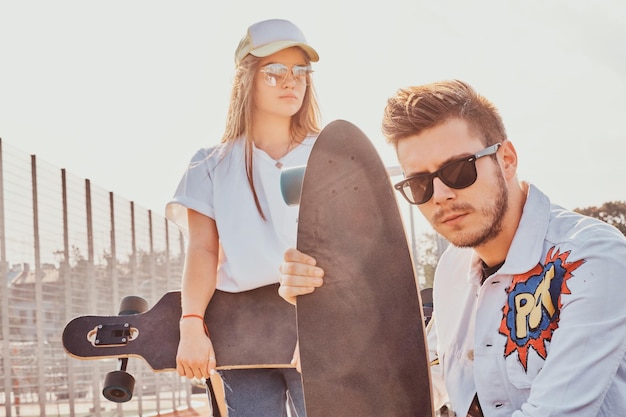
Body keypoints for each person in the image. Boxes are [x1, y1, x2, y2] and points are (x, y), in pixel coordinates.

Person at [278, 79, 626, 416]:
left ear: (506, 159)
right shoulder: (453, 269)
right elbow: (421, 384)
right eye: (420, 184)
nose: (441, 194)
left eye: (459, 170)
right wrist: (328, 314)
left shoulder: (591, 259)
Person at [166, 18, 321, 417]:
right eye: (275, 72)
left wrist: (328, 325)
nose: (291, 81)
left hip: (316, 317)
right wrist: (191, 324)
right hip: (240, 324)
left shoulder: (328, 153)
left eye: (300, 71)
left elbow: (348, 247)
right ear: (246, 79)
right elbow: (202, 251)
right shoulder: (210, 165)